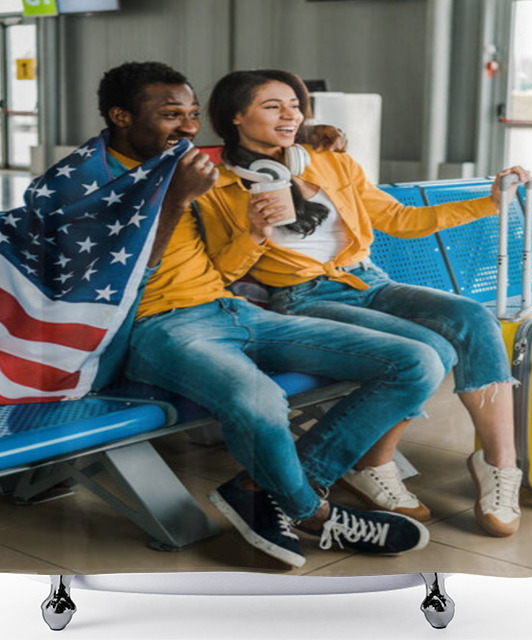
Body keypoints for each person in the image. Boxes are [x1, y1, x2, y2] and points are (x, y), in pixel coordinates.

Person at [86, 61, 451, 568]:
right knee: (261, 396)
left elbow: (231, 206)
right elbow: (110, 277)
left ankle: (258, 486)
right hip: (160, 326)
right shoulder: (84, 184)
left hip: (231, 309)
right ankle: (313, 512)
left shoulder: (180, 162)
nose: (190, 126)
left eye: (192, 114)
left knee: (418, 361)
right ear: (121, 116)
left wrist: (300, 150)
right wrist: (177, 202)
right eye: (173, 114)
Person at [200, 68, 531, 538]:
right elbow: (221, 271)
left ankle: (499, 464)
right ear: (235, 117)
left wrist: (490, 201)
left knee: (472, 317)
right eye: (272, 106)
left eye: (295, 105)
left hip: (367, 281)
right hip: (301, 297)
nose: (289, 114)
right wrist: (254, 233)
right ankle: (369, 465)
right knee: (429, 348)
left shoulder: (330, 162)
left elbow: (399, 218)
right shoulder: (216, 187)